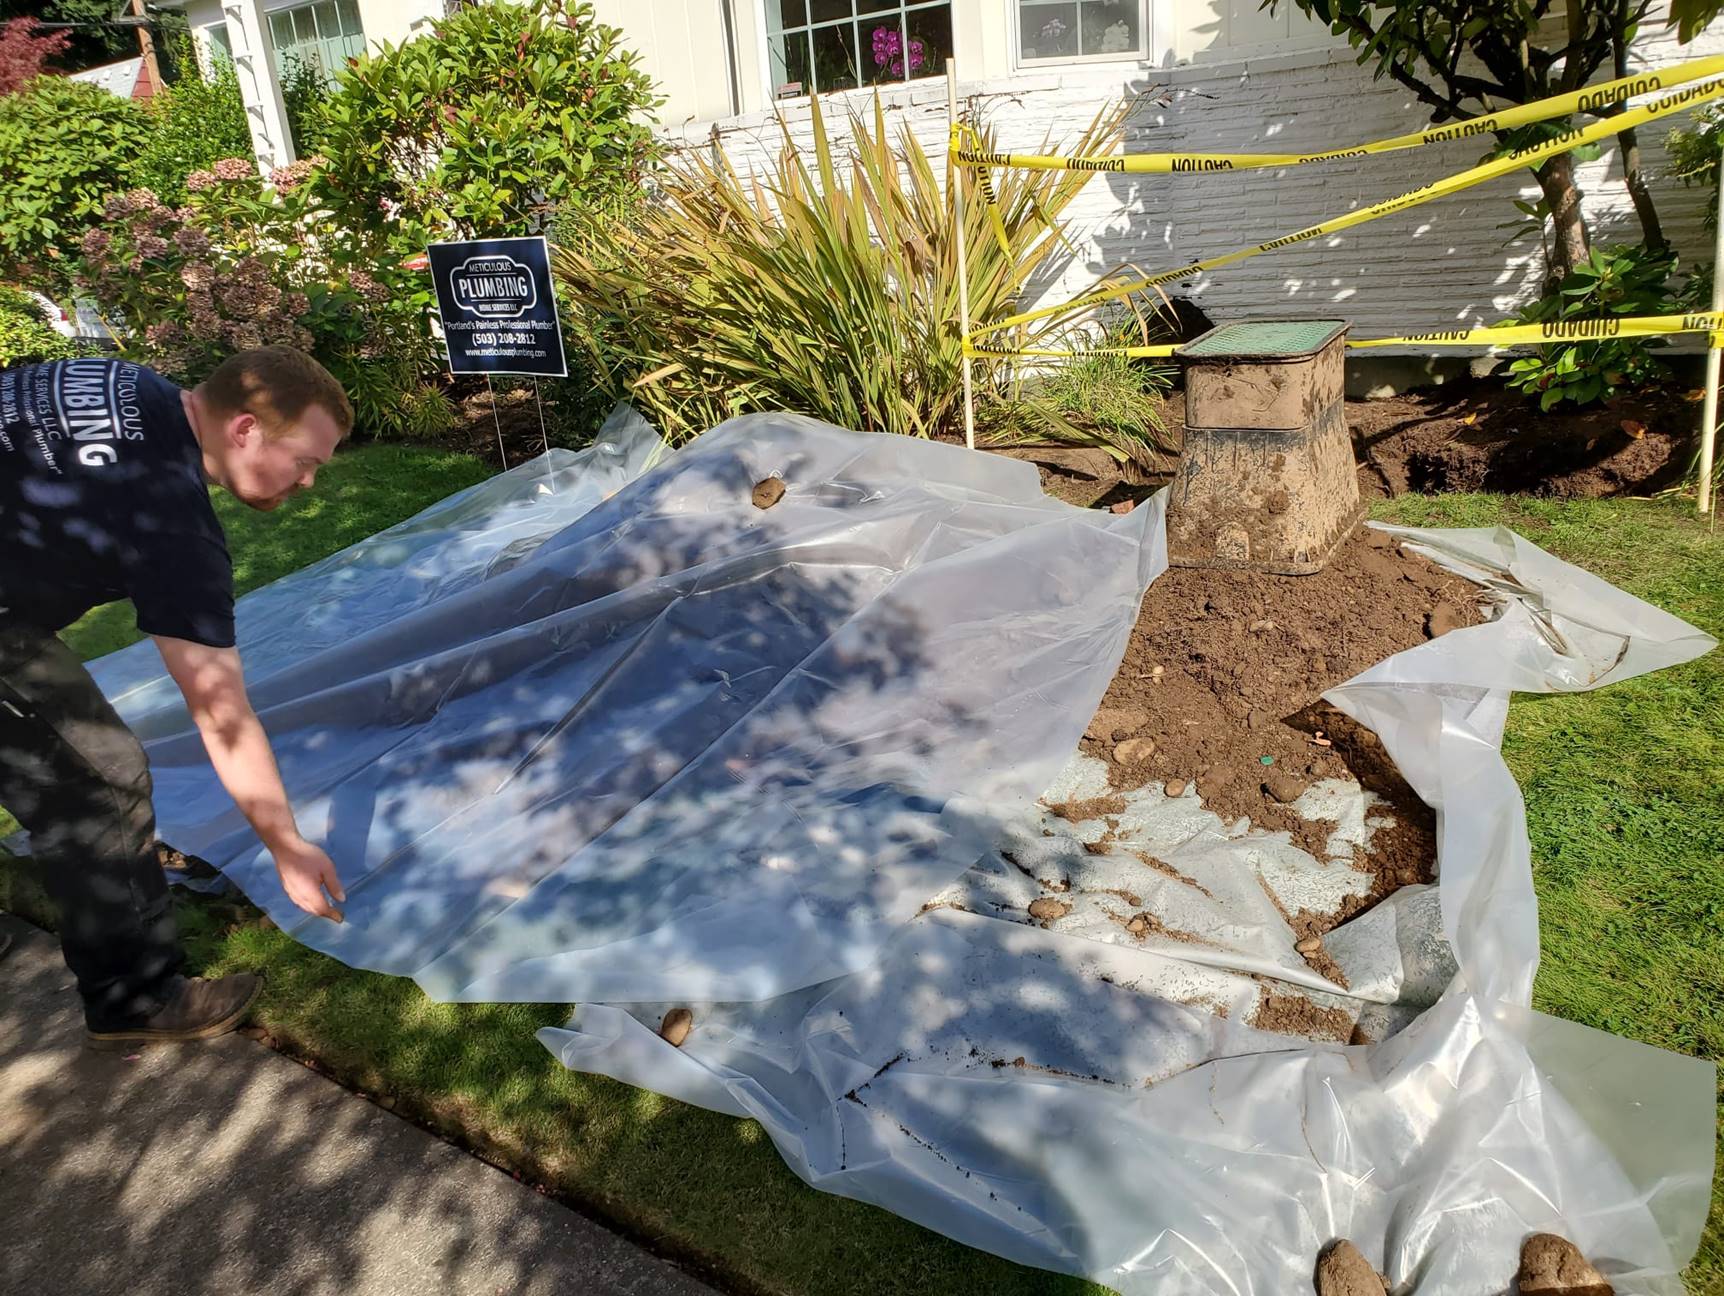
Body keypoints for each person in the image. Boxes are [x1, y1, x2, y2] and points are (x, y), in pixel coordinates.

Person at [0, 347, 351, 1046]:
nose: (308, 483)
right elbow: (221, 713)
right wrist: (286, 844)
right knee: (98, 780)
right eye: (305, 461)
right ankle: (137, 999)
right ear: (246, 428)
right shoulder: (169, 523)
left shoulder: (127, 381)